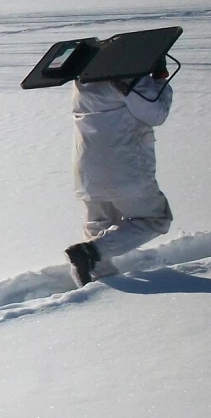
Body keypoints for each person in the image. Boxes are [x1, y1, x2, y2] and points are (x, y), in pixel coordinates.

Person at [65, 58, 173, 285]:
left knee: (98, 223)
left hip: (87, 168)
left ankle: (99, 284)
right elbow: (155, 113)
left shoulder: (82, 82)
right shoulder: (131, 77)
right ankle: (91, 253)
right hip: (126, 166)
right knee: (155, 219)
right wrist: (160, 81)